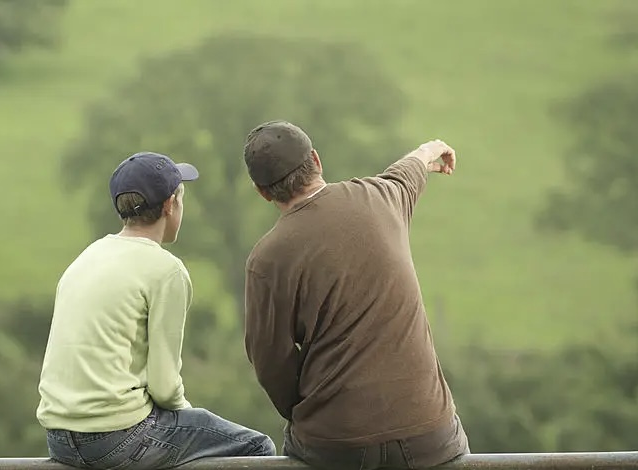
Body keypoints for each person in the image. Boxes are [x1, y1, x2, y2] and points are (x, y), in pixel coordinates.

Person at [240, 120, 469, 470]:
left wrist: (306, 410)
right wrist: (430, 150)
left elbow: (270, 360)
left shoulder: (266, 258)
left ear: (262, 191)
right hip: (429, 434)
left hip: (335, 444)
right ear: (316, 160)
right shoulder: (381, 197)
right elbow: (405, 172)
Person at [37, 151, 276, 470]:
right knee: (257, 448)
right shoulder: (166, 270)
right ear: (170, 205)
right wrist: (185, 423)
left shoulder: (88, 257)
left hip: (59, 438)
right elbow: (165, 388)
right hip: (114, 436)